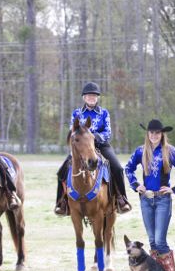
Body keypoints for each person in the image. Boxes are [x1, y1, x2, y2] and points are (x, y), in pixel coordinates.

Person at [125, 119, 175, 271]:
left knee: (160, 240)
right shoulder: (141, 151)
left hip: (163, 199)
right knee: (153, 241)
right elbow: (128, 168)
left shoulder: (169, 151)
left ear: (162, 134)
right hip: (146, 199)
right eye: (151, 132)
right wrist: (135, 185)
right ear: (147, 134)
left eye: (157, 132)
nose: (154, 135)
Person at [54, 82, 132, 215]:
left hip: (101, 146)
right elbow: (72, 131)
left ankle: (121, 198)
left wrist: (93, 137)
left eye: (94, 96)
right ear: (84, 98)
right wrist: (83, 139)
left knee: (118, 168)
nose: (92, 98)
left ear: (97, 98)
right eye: (89, 96)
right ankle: (62, 202)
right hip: (81, 148)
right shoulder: (76, 113)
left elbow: (108, 132)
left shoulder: (104, 113)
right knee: (62, 171)